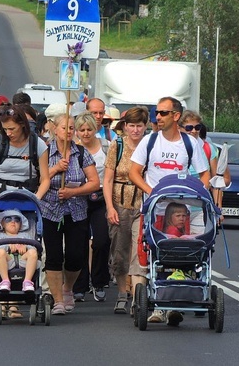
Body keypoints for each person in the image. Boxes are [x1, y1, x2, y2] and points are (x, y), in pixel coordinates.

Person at [129, 97, 210, 325]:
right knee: (155, 255)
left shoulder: (190, 144)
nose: (158, 117)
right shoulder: (150, 141)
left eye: (163, 113)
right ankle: (157, 306)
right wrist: (153, 192)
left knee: (181, 252)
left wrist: (195, 195)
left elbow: (205, 174)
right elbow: (134, 172)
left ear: (176, 116)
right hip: (155, 209)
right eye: (157, 112)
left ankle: (176, 304)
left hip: (178, 210)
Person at [0, 105, 50, 307]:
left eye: (12, 129)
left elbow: (45, 178)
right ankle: (1, 288)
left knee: (35, 242)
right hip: (3, 198)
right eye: (5, 129)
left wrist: (36, 199)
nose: (8, 133)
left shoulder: (36, 144)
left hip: (29, 199)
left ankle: (32, 284)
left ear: (22, 125)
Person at [42, 113, 100, 315]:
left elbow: (94, 183)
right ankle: (58, 299)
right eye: (64, 127)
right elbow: (38, 179)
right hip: (51, 210)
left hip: (76, 210)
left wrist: (73, 192)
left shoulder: (81, 153)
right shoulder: (45, 152)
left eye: (71, 128)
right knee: (54, 256)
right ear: (55, 129)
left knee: (76, 256)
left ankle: (68, 288)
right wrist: (56, 169)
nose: (69, 131)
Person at [103, 106, 148, 315]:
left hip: (142, 203)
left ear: (145, 127)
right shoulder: (117, 145)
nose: (136, 130)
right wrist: (110, 207)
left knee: (139, 253)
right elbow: (108, 178)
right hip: (119, 204)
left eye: (139, 126)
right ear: (125, 126)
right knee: (119, 252)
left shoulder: (150, 145)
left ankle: (138, 297)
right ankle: (122, 293)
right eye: (132, 126)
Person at [72, 112, 110, 303]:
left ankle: (99, 281)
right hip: (78, 198)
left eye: (89, 129)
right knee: (79, 241)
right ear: (76, 131)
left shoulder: (106, 147)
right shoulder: (72, 150)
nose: (86, 133)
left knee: (101, 241)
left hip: (102, 197)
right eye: (82, 130)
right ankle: (79, 285)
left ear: (96, 130)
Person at [0, 209, 38, 294]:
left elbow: (34, 247)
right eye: (8, 219)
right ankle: (5, 281)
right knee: (0, 252)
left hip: (23, 260)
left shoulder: (25, 236)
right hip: (7, 260)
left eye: (17, 219)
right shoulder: (0, 236)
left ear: (21, 225)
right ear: (2, 223)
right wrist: (8, 247)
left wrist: (26, 247)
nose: (13, 222)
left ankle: (27, 281)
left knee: (33, 252)